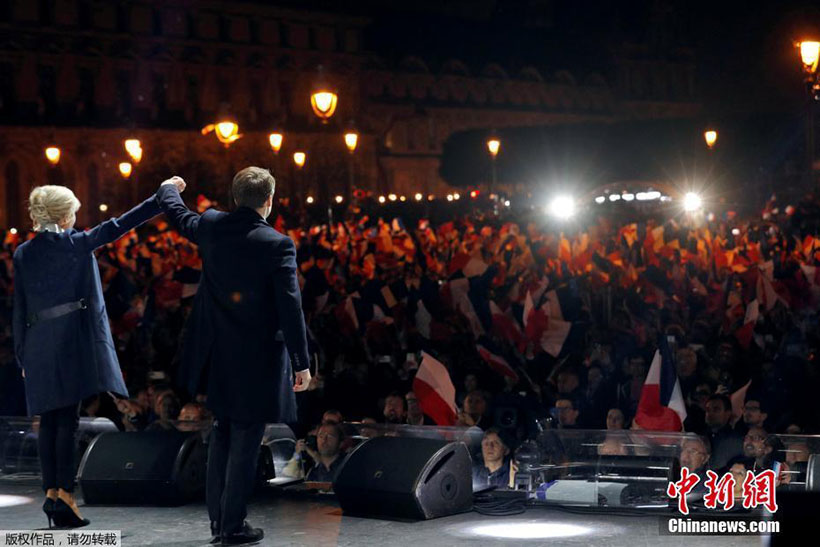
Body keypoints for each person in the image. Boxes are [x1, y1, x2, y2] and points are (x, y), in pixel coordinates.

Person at [157, 169, 311, 546]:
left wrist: (169, 190)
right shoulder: (278, 244)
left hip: (218, 355)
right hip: (256, 358)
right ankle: (232, 526)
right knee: (245, 438)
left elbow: (178, 214)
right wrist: (301, 361)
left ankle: (219, 523)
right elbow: (290, 307)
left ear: (234, 196)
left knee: (222, 434)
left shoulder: (212, 226)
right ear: (269, 200)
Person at [13, 183, 167, 528]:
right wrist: (160, 198)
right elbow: (120, 225)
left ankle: (53, 495)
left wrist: (23, 354)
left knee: (49, 422)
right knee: (64, 422)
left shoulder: (24, 252)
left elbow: (18, 306)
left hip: (37, 343)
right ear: (63, 215)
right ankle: (64, 496)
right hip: (68, 342)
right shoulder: (74, 244)